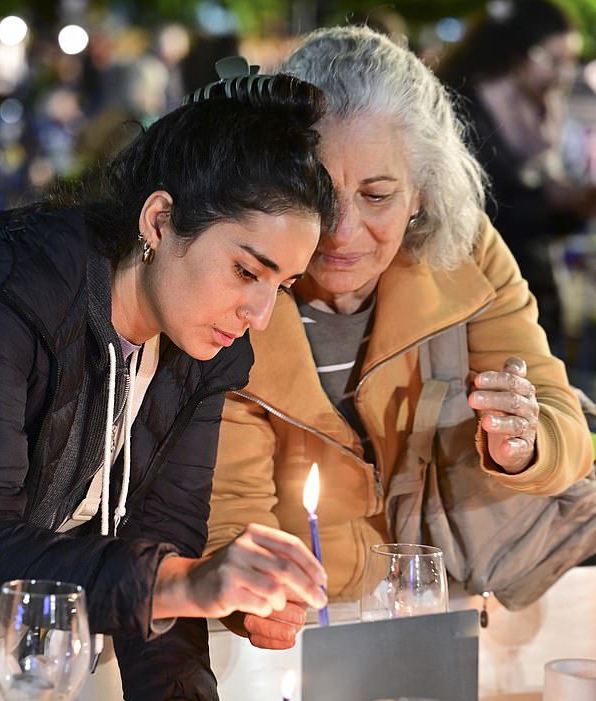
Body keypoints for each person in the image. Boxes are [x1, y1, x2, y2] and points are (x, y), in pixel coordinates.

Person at [0, 67, 336, 701]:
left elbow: (160, 538)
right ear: (159, 220)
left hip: (35, 671)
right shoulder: (7, 290)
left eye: (282, 285)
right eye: (247, 271)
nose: (257, 314)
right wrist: (187, 582)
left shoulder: (207, 351)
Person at [205, 25, 594, 650]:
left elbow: (563, 425)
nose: (342, 233)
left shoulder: (466, 254)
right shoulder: (233, 285)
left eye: (377, 196)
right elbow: (229, 515)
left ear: (421, 193)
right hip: (296, 631)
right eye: (317, 192)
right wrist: (252, 607)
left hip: (466, 616)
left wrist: (523, 445)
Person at [436, 0, 596, 356]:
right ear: (516, 53)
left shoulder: (535, 110)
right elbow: (473, 214)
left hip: (532, 299)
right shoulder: (465, 110)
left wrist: (573, 207)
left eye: (568, 62)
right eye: (553, 60)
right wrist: (551, 200)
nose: (562, 75)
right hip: (480, 310)